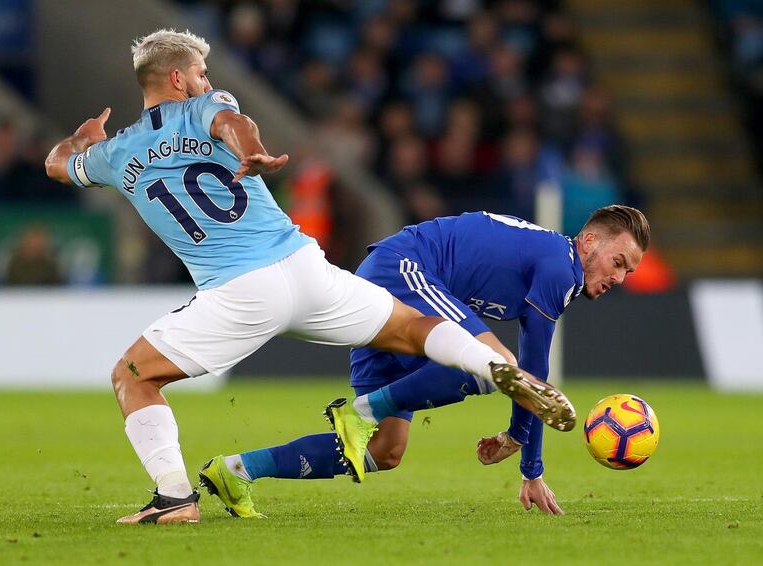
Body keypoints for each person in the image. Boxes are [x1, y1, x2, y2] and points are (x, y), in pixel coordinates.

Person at [43, 29, 575, 525]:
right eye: (202, 74)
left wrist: (80, 141)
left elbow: (56, 165)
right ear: (179, 80)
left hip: (240, 293)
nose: (208, 82)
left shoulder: (115, 155)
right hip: (306, 267)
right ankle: (495, 363)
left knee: (132, 376)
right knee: (413, 327)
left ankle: (175, 497)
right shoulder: (208, 107)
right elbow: (231, 122)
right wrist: (249, 149)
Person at [201, 205, 649, 517]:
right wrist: (528, 462)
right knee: (494, 362)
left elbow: (531, 379)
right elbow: (530, 375)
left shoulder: (558, 270)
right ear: (589, 241)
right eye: (618, 262)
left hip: (406, 299)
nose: (620, 277)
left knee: (385, 451)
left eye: (627, 271)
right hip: (406, 270)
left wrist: (519, 440)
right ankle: (359, 412)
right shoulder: (559, 264)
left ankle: (237, 470)